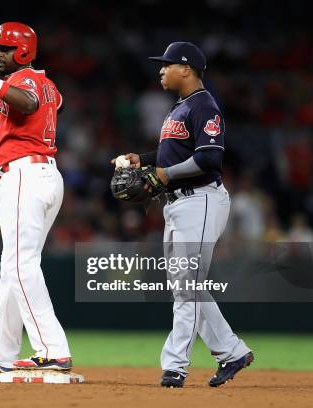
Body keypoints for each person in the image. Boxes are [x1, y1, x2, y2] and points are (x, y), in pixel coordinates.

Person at [121, 42, 254, 387]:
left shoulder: (204, 105)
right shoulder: (180, 107)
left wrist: (164, 175)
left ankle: (175, 365)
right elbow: (173, 155)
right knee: (185, 285)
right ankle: (232, 350)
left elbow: (209, 158)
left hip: (202, 199)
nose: (161, 70)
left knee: (186, 286)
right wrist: (146, 160)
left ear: (187, 69)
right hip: (179, 204)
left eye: (166, 65)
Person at [0, 22, 72, 372]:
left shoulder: (27, 81)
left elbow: (27, 102)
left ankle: (53, 349)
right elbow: (55, 104)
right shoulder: (47, 83)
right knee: (13, 266)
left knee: (21, 266)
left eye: (4, 49)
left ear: (23, 52)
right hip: (42, 175)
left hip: (26, 175)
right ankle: (2, 353)